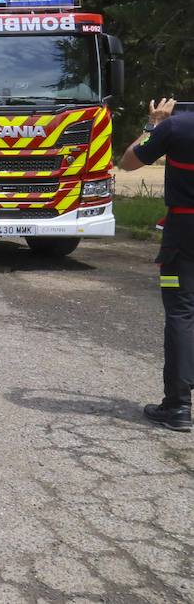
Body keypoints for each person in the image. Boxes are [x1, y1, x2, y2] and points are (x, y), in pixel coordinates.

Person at [120, 97, 194, 432]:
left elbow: (128, 162)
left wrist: (153, 125)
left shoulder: (176, 126)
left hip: (184, 233)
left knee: (181, 312)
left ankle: (178, 406)